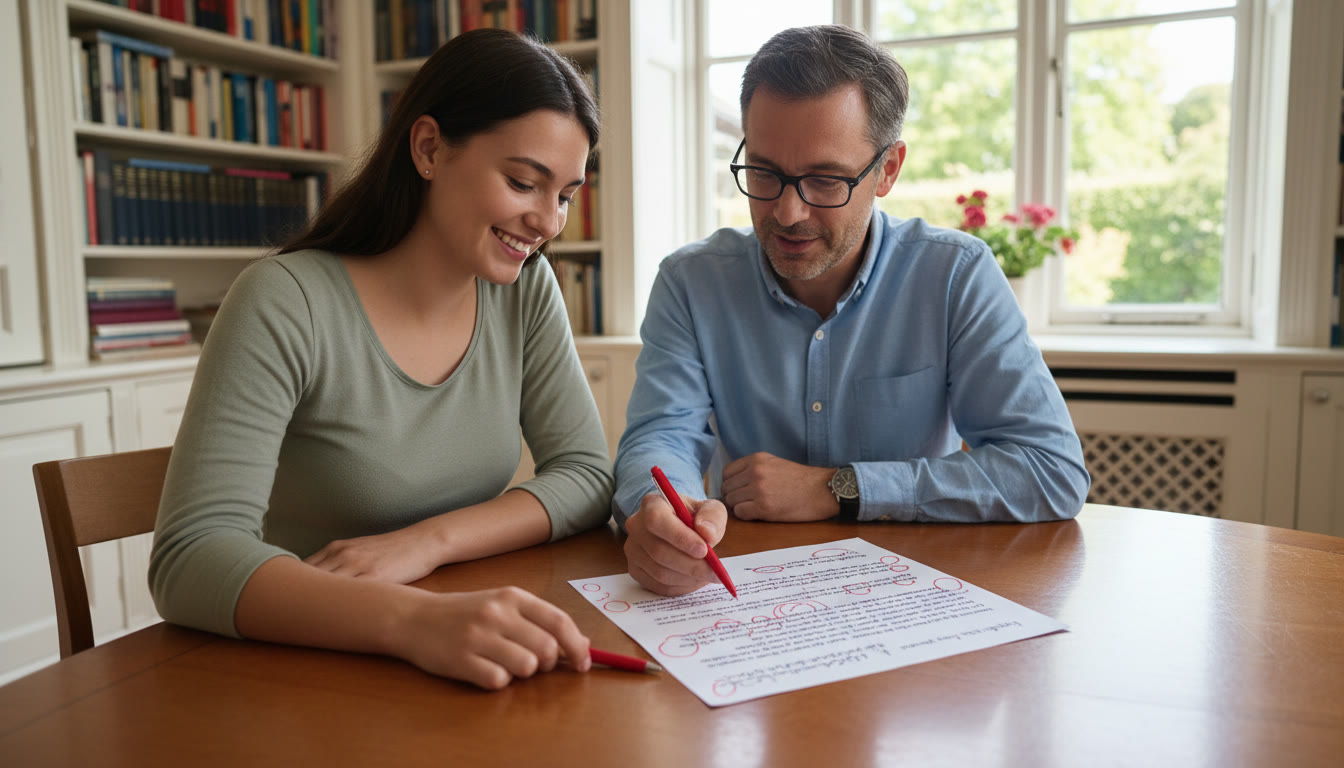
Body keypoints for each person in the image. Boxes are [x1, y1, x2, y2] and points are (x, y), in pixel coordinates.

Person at [150, 29, 614, 690]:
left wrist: (428, 542)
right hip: (298, 672)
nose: (548, 222)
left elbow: (587, 474)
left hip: (454, 647)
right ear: (428, 148)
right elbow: (190, 557)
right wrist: (415, 621)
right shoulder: (285, 300)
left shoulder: (525, 290)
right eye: (523, 182)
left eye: (564, 195)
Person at [612, 25, 1089, 596]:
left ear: (888, 169)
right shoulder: (691, 282)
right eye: (764, 173)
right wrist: (660, 507)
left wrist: (839, 488)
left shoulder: (954, 275)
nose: (788, 213)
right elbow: (660, 436)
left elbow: (1050, 470)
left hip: (912, 595)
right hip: (751, 596)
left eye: (824, 180)